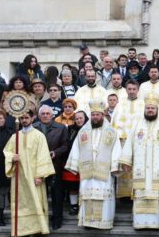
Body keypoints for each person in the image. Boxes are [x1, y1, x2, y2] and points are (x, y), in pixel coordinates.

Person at [119, 93, 159, 230]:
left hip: (158, 169)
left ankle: (158, 223)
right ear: (144, 109)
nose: (150, 110)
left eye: (152, 108)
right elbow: (130, 142)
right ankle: (140, 223)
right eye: (148, 108)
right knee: (141, 193)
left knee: (157, 194)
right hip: (141, 169)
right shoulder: (137, 124)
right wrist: (127, 160)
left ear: (157, 109)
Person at [65, 100, 122, 229]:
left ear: (102, 115)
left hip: (104, 172)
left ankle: (104, 222)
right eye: (93, 115)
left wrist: (115, 167)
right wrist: (74, 165)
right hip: (87, 172)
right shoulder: (83, 132)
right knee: (88, 196)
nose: (95, 117)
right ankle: (88, 222)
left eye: (97, 115)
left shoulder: (111, 132)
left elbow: (116, 150)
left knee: (103, 196)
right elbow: (76, 148)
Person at [3, 109, 55, 237]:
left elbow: (43, 156)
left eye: (26, 118)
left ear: (32, 118)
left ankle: (36, 230)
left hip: (33, 176)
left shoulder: (39, 136)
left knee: (35, 200)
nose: (24, 120)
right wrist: (11, 157)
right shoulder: (15, 136)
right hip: (19, 176)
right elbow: (7, 151)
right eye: (22, 118)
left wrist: (40, 175)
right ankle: (19, 230)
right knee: (20, 202)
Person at [33, 105, 69, 230]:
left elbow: (65, 145)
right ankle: (39, 221)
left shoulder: (61, 128)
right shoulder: (33, 127)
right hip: (37, 166)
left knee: (56, 194)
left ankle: (57, 220)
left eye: (48, 113)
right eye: (43, 114)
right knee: (38, 194)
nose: (45, 116)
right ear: (39, 115)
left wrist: (56, 152)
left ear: (52, 115)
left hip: (55, 165)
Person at [111, 80, 144, 199]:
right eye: (129, 89)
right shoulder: (120, 105)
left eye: (134, 89)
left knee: (138, 166)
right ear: (126, 90)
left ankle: (137, 192)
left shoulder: (143, 104)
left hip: (139, 141)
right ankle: (124, 195)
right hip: (123, 141)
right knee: (124, 166)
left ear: (138, 90)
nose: (131, 91)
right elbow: (113, 122)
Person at [61, 109, 87, 215]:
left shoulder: (91, 129)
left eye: (81, 118)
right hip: (72, 160)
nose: (79, 120)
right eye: (77, 119)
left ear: (85, 118)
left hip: (87, 161)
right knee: (73, 185)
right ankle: (74, 205)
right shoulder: (70, 129)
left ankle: (84, 205)